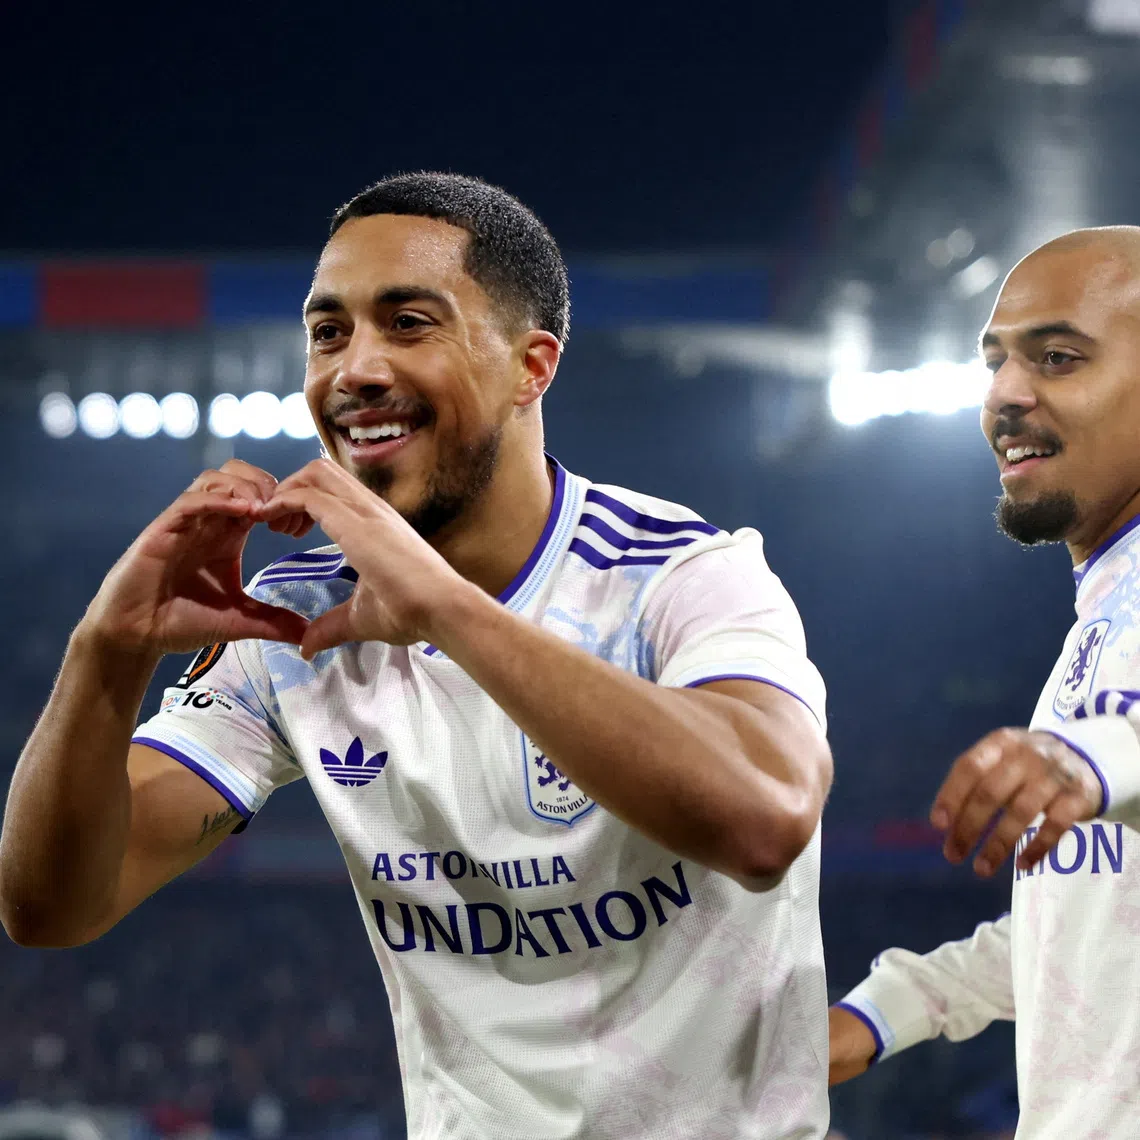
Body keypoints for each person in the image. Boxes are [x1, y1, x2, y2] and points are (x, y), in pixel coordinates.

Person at [0, 173, 834, 1139]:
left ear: (531, 367)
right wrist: (104, 652)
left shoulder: (681, 575)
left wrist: (444, 607)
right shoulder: (291, 623)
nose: (354, 368)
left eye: (407, 324)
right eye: (328, 332)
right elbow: (53, 907)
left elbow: (766, 819)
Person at [828, 226, 1140, 1135]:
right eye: (995, 361)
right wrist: (884, 1012)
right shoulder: (1107, 609)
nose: (1005, 394)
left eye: (1058, 357)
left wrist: (1097, 757)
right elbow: (1086, 929)